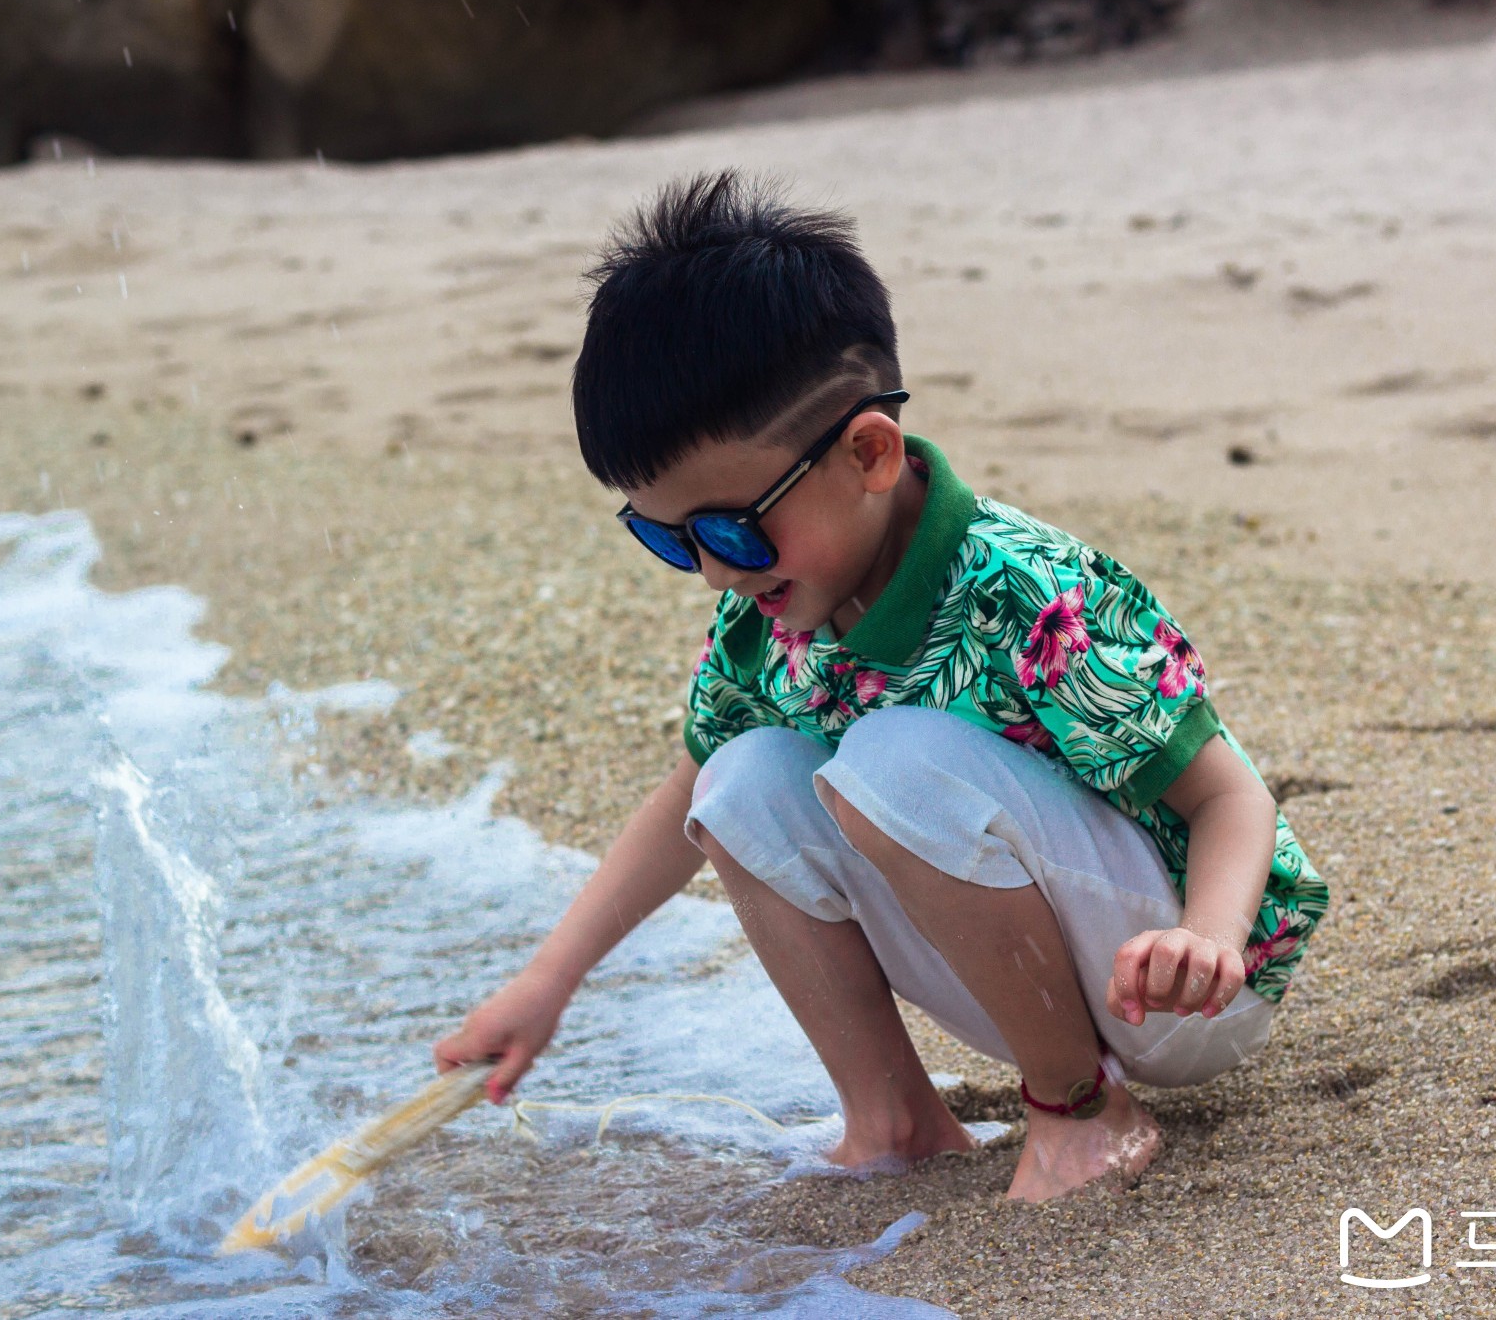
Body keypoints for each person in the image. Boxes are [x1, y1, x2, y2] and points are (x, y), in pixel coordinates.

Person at [433, 172, 1330, 1202]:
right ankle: (894, 1117)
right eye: (666, 538)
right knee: (738, 779)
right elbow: (684, 793)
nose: (718, 572)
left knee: (896, 761)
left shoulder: (1020, 588)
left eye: (730, 529)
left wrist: (1203, 941)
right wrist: (548, 984)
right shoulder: (769, 611)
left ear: (866, 451)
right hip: (1019, 969)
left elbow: (1229, 796)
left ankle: (1082, 1114)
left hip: (1175, 980)